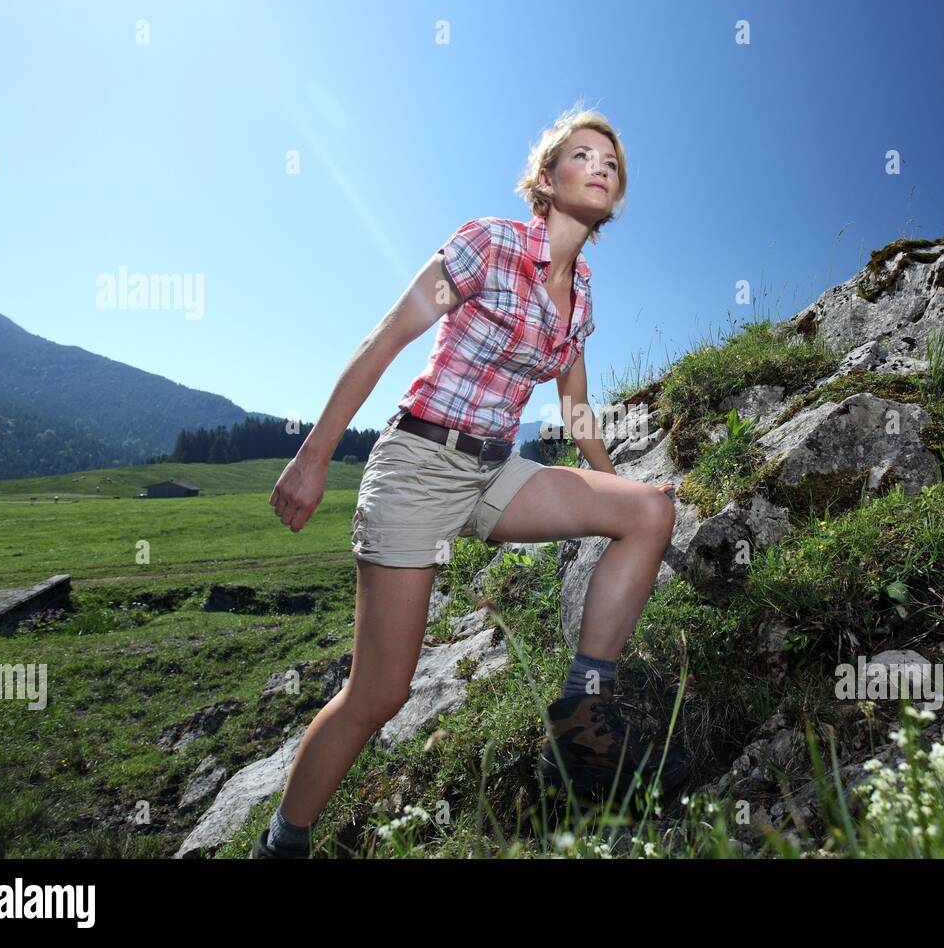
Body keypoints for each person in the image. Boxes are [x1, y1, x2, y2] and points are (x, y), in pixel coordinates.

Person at [254, 104, 684, 859]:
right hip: (419, 462)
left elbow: (577, 413)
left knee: (649, 512)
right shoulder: (488, 243)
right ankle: (282, 842)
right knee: (379, 695)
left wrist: (615, 495)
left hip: (494, 469)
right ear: (545, 181)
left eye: (612, 162)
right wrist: (313, 456)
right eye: (584, 155)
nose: (603, 166)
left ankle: (581, 728)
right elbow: (386, 337)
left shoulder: (580, 296)